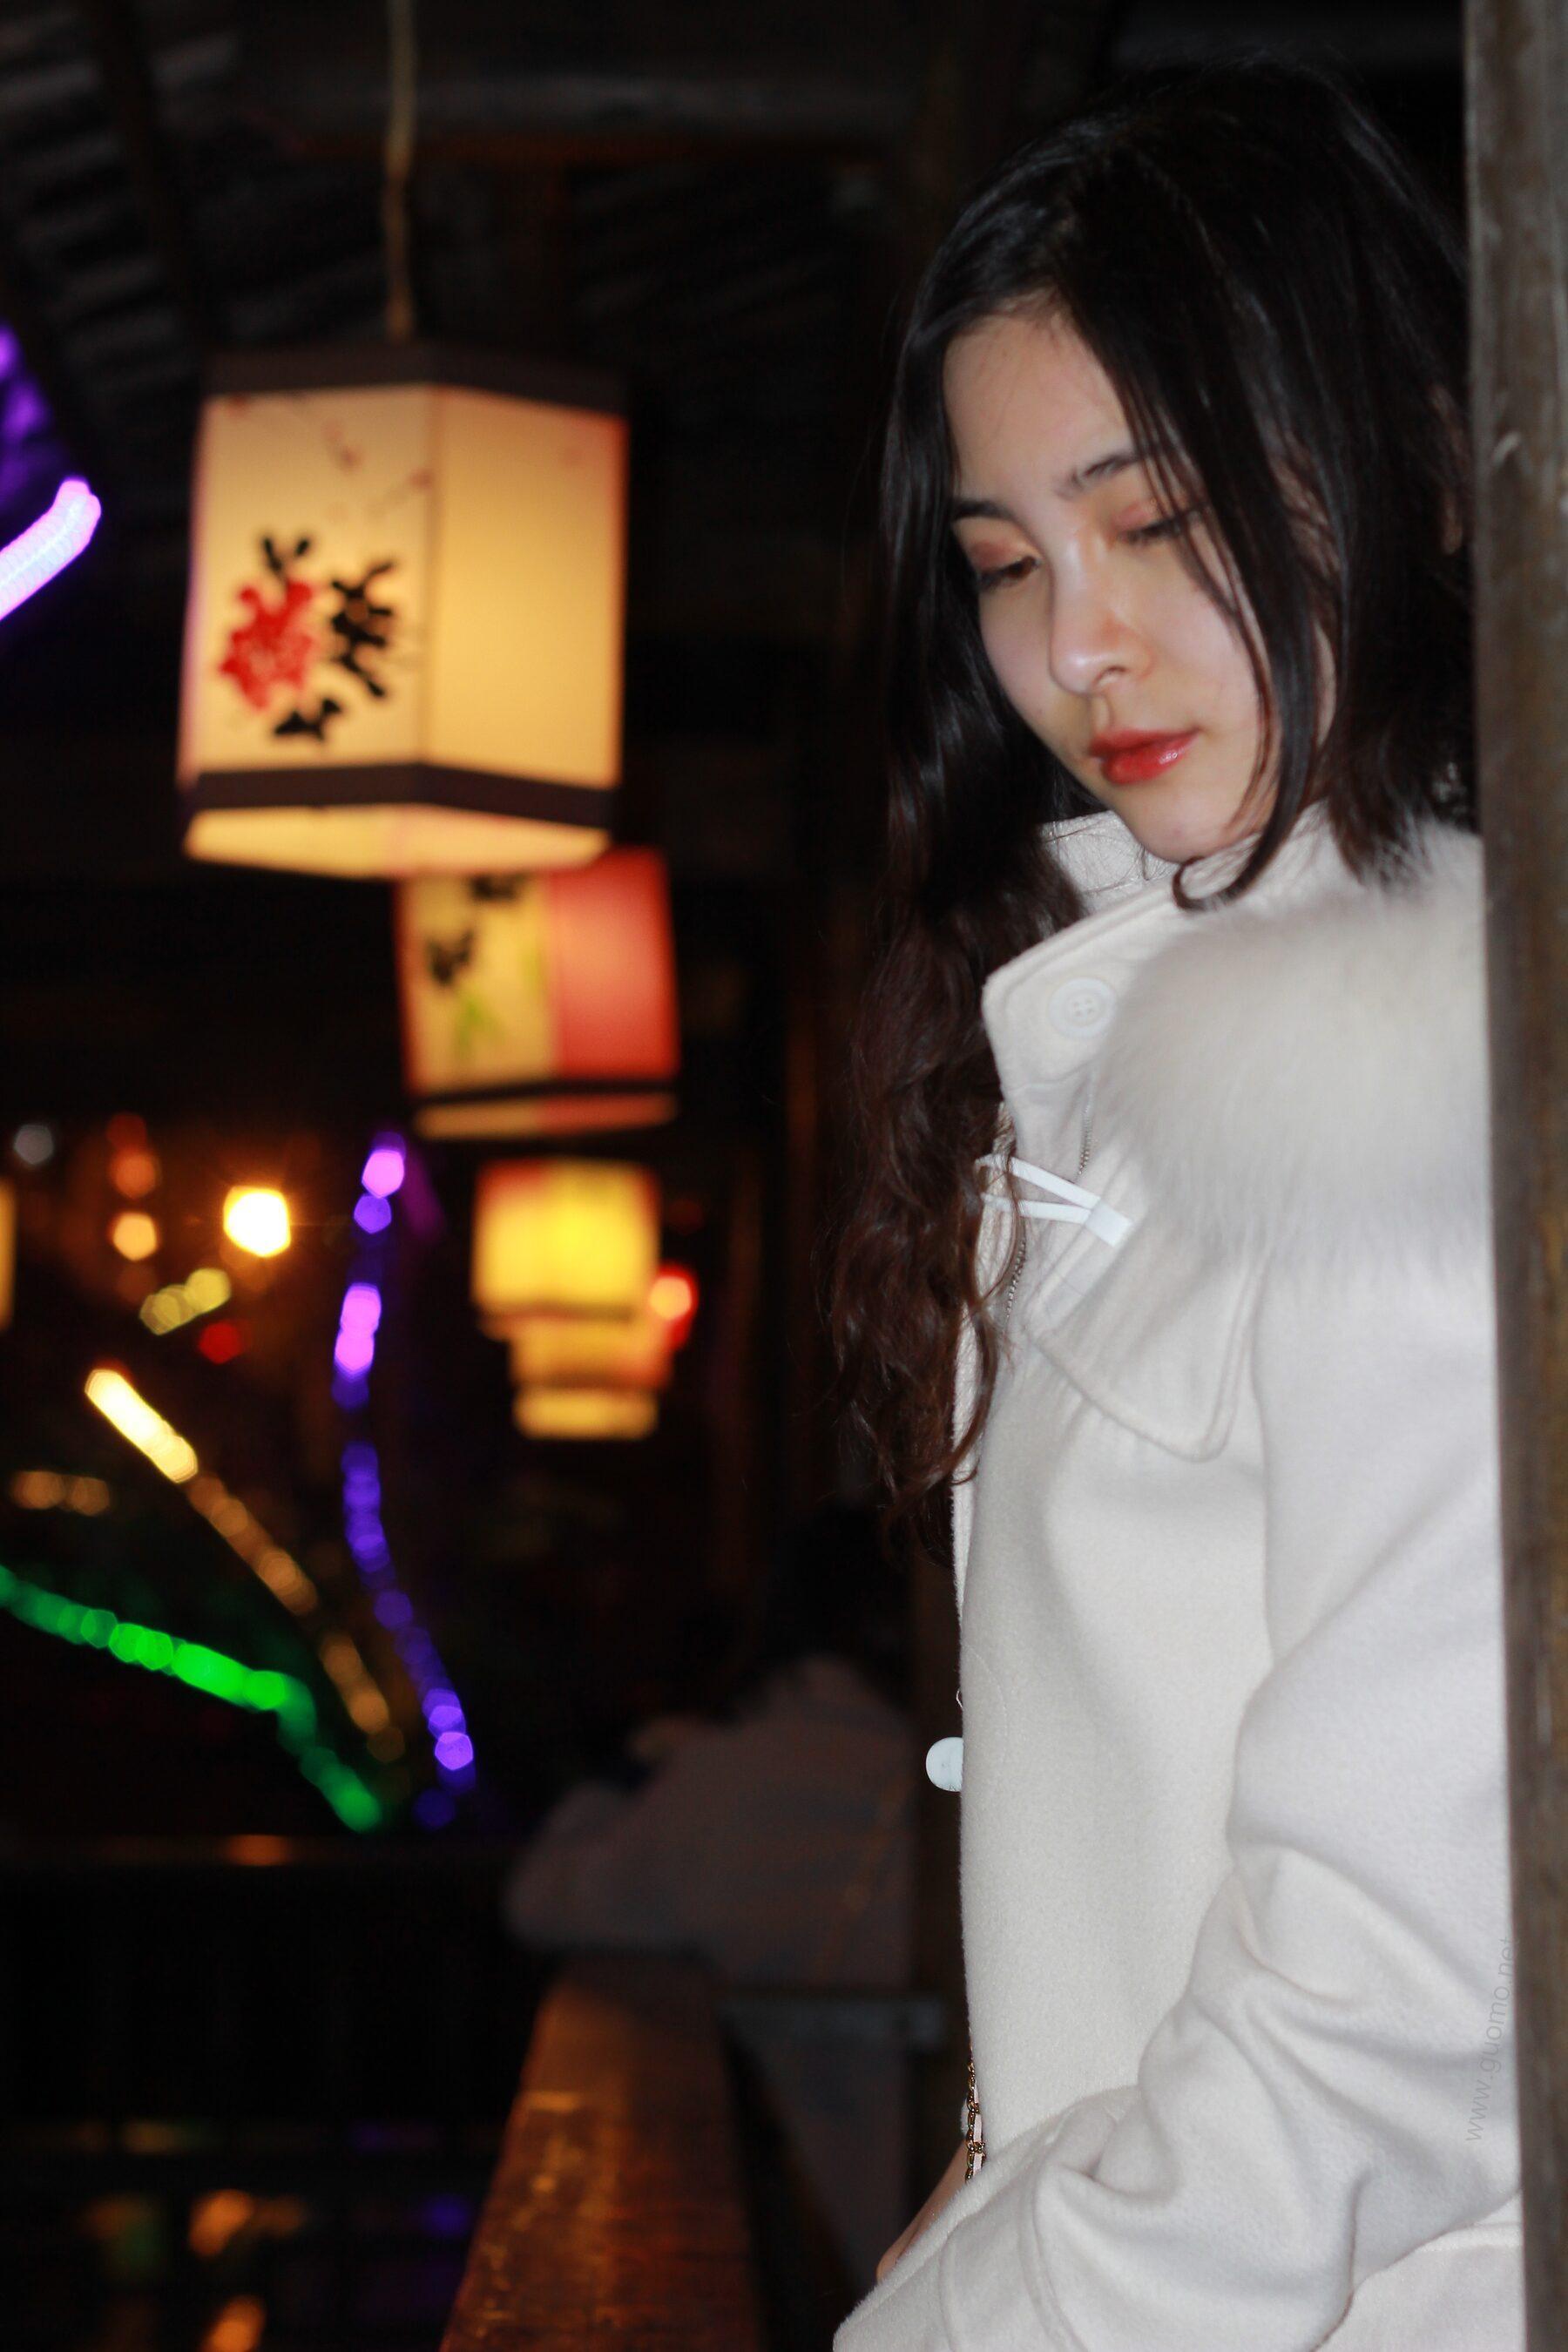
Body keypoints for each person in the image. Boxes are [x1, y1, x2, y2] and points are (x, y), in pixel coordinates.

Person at [827, 57, 1523, 2352]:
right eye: (1008, 562)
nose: (1075, 647)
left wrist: (975, 2319)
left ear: (1427, 468)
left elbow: (1407, 1986)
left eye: (1159, 522)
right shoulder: (1143, 1015)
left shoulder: (1402, 1072)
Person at [501, 1507, 918, 2294]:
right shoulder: (959, 1769)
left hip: (813, 2223)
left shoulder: (720, 1777)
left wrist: (633, 1766)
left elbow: (540, 1900)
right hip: (954, 2205)